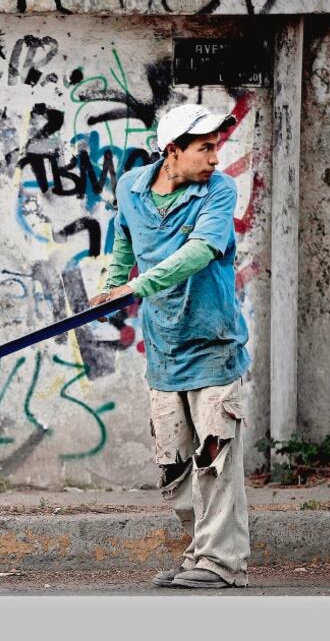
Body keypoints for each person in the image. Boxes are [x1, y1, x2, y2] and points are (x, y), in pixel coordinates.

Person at [90, 103, 251, 589]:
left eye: (217, 148)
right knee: (176, 465)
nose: (215, 159)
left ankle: (222, 564)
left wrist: (135, 289)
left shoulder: (217, 191)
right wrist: (111, 285)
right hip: (164, 348)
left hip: (213, 343)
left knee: (216, 461)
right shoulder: (131, 189)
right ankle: (200, 553)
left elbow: (201, 250)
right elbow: (123, 240)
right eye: (205, 149)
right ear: (172, 151)